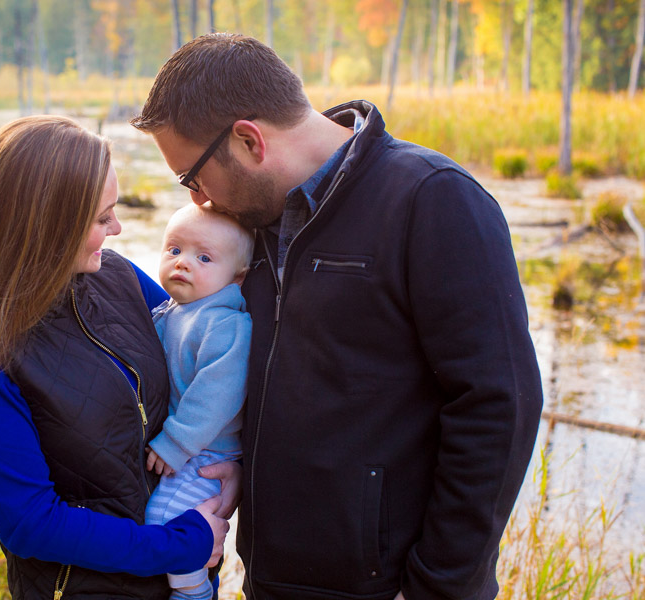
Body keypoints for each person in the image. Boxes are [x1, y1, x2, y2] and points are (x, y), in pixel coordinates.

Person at [131, 34, 543, 600]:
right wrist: (243, 472)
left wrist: (437, 588)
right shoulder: (256, 225)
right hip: (274, 581)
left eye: (193, 179)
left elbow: (500, 406)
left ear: (249, 141)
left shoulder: (433, 199)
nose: (199, 202)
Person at [0, 115, 239, 600]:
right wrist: (177, 544)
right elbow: (33, 523)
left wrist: (228, 463)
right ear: (47, 225)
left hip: (180, 578)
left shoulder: (115, 277)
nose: (118, 229)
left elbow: (202, 352)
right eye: (102, 219)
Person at [143, 204, 253, 600]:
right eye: (173, 250)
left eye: (203, 258)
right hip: (188, 448)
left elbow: (217, 393)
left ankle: (193, 594)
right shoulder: (173, 311)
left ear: (237, 277)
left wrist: (175, 442)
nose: (183, 263)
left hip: (206, 451)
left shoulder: (224, 323)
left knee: (164, 521)